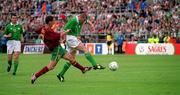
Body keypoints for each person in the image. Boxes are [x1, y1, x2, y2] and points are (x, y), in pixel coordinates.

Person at [31, 16, 92, 84]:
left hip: (59, 48)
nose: (54, 22)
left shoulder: (43, 28)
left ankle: (83, 69)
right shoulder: (48, 30)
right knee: (50, 67)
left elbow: (36, 31)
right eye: (53, 21)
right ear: (50, 22)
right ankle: (35, 76)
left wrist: (42, 36)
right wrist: (66, 32)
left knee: (71, 59)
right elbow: (57, 36)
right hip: (56, 50)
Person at [57, 12, 105, 82]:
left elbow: (85, 22)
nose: (84, 22)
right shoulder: (73, 20)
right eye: (84, 20)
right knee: (85, 50)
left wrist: (90, 24)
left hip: (72, 39)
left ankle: (61, 74)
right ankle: (95, 65)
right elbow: (64, 30)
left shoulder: (80, 20)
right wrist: (62, 39)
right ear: (81, 18)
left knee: (71, 59)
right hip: (71, 39)